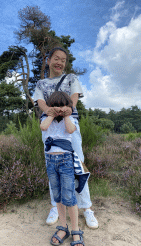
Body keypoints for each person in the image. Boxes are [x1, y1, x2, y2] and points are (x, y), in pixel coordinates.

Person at [34, 47, 98, 229]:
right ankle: (55, 205)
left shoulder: (71, 78)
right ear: (48, 60)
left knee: (78, 163)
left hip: (70, 122)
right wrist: (50, 112)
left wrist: (67, 110)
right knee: (52, 164)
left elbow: (74, 98)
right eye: (56, 58)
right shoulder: (41, 83)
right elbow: (40, 102)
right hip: (49, 124)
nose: (59, 62)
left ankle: (87, 208)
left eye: (63, 60)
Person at [40, 91, 85, 246]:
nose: (60, 108)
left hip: (65, 161)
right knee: (57, 195)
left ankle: (75, 230)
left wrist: (67, 114)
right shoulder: (47, 118)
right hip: (51, 161)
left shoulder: (70, 118)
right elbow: (43, 127)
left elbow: (71, 130)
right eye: (56, 105)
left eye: (63, 105)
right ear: (50, 106)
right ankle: (62, 227)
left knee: (69, 196)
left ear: (69, 106)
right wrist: (50, 113)